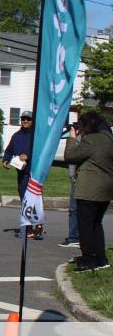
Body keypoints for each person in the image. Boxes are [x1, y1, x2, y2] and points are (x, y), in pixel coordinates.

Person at [62, 112, 113, 272]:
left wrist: (72, 138)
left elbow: (70, 156)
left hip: (89, 189)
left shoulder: (91, 140)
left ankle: (87, 261)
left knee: (85, 226)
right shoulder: (108, 139)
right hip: (105, 189)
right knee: (96, 224)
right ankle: (101, 259)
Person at [3, 110, 40, 239]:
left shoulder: (36, 136)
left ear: (32, 121)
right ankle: (31, 227)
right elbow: (9, 150)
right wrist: (5, 160)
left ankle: (33, 228)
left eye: (28, 119)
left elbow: (40, 152)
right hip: (21, 173)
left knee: (32, 200)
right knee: (24, 200)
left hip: (33, 173)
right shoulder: (16, 136)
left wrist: (28, 156)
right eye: (23, 119)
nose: (25, 121)